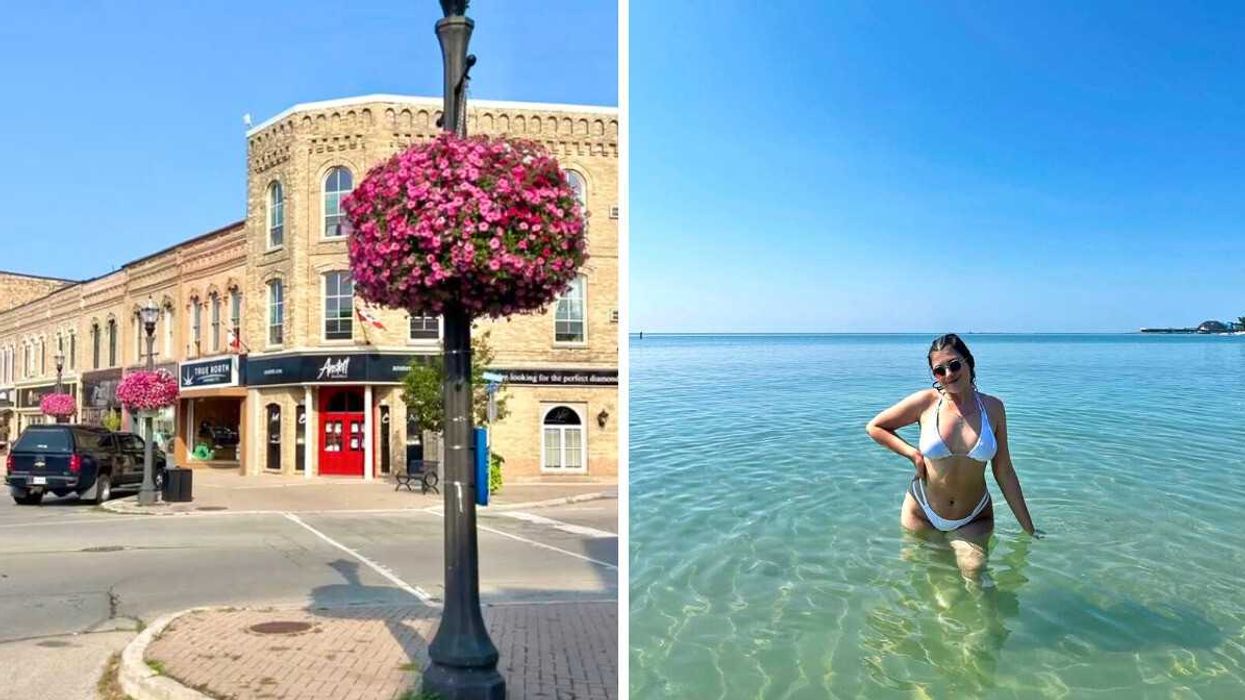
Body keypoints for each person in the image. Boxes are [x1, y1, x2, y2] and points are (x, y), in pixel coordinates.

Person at [866, 333, 1042, 580]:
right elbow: (876, 427)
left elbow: (1003, 471)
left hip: (974, 516)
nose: (949, 374)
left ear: (969, 362)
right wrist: (913, 455)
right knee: (936, 583)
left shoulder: (993, 408)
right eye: (939, 370)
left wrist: (1029, 530)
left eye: (955, 364)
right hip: (923, 511)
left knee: (975, 573)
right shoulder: (925, 402)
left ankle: (987, 619)